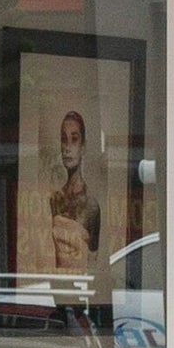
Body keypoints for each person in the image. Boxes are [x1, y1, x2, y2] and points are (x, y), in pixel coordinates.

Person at [38, 107, 105, 274]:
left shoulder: (91, 206)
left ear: (83, 147)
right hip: (59, 284)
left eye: (74, 140)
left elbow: (93, 260)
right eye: (64, 139)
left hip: (80, 286)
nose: (67, 147)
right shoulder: (56, 199)